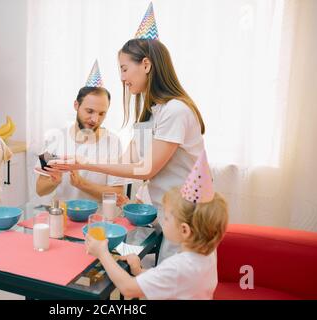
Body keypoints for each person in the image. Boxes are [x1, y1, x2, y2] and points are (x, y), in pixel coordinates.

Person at [50, 3, 205, 262]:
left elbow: (145, 170)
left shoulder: (175, 111)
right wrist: (70, 163)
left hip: (188, 217)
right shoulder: (152, 113)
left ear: (145, 64)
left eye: (123, 68)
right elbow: (126, 162)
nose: (122, 78)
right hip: (166, 213)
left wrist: (85, 163)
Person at [85, 151, 229, 299]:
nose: (162, 220)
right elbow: (172, 282)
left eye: (165, 218)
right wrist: (139, 271)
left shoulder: (178, 266)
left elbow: (128, 288)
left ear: (184, 230)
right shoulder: (205, 258)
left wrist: (102, 253)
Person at [35, 60, 127, 202]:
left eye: (102, 113)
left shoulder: (113, 142)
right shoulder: (54, 138)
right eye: (89, 111)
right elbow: (40, 189)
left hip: (98, 221)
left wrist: (81, 183)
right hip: (64, 218)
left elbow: (118, 195)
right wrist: (53, 181)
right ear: (76, 105)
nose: (95, 119)